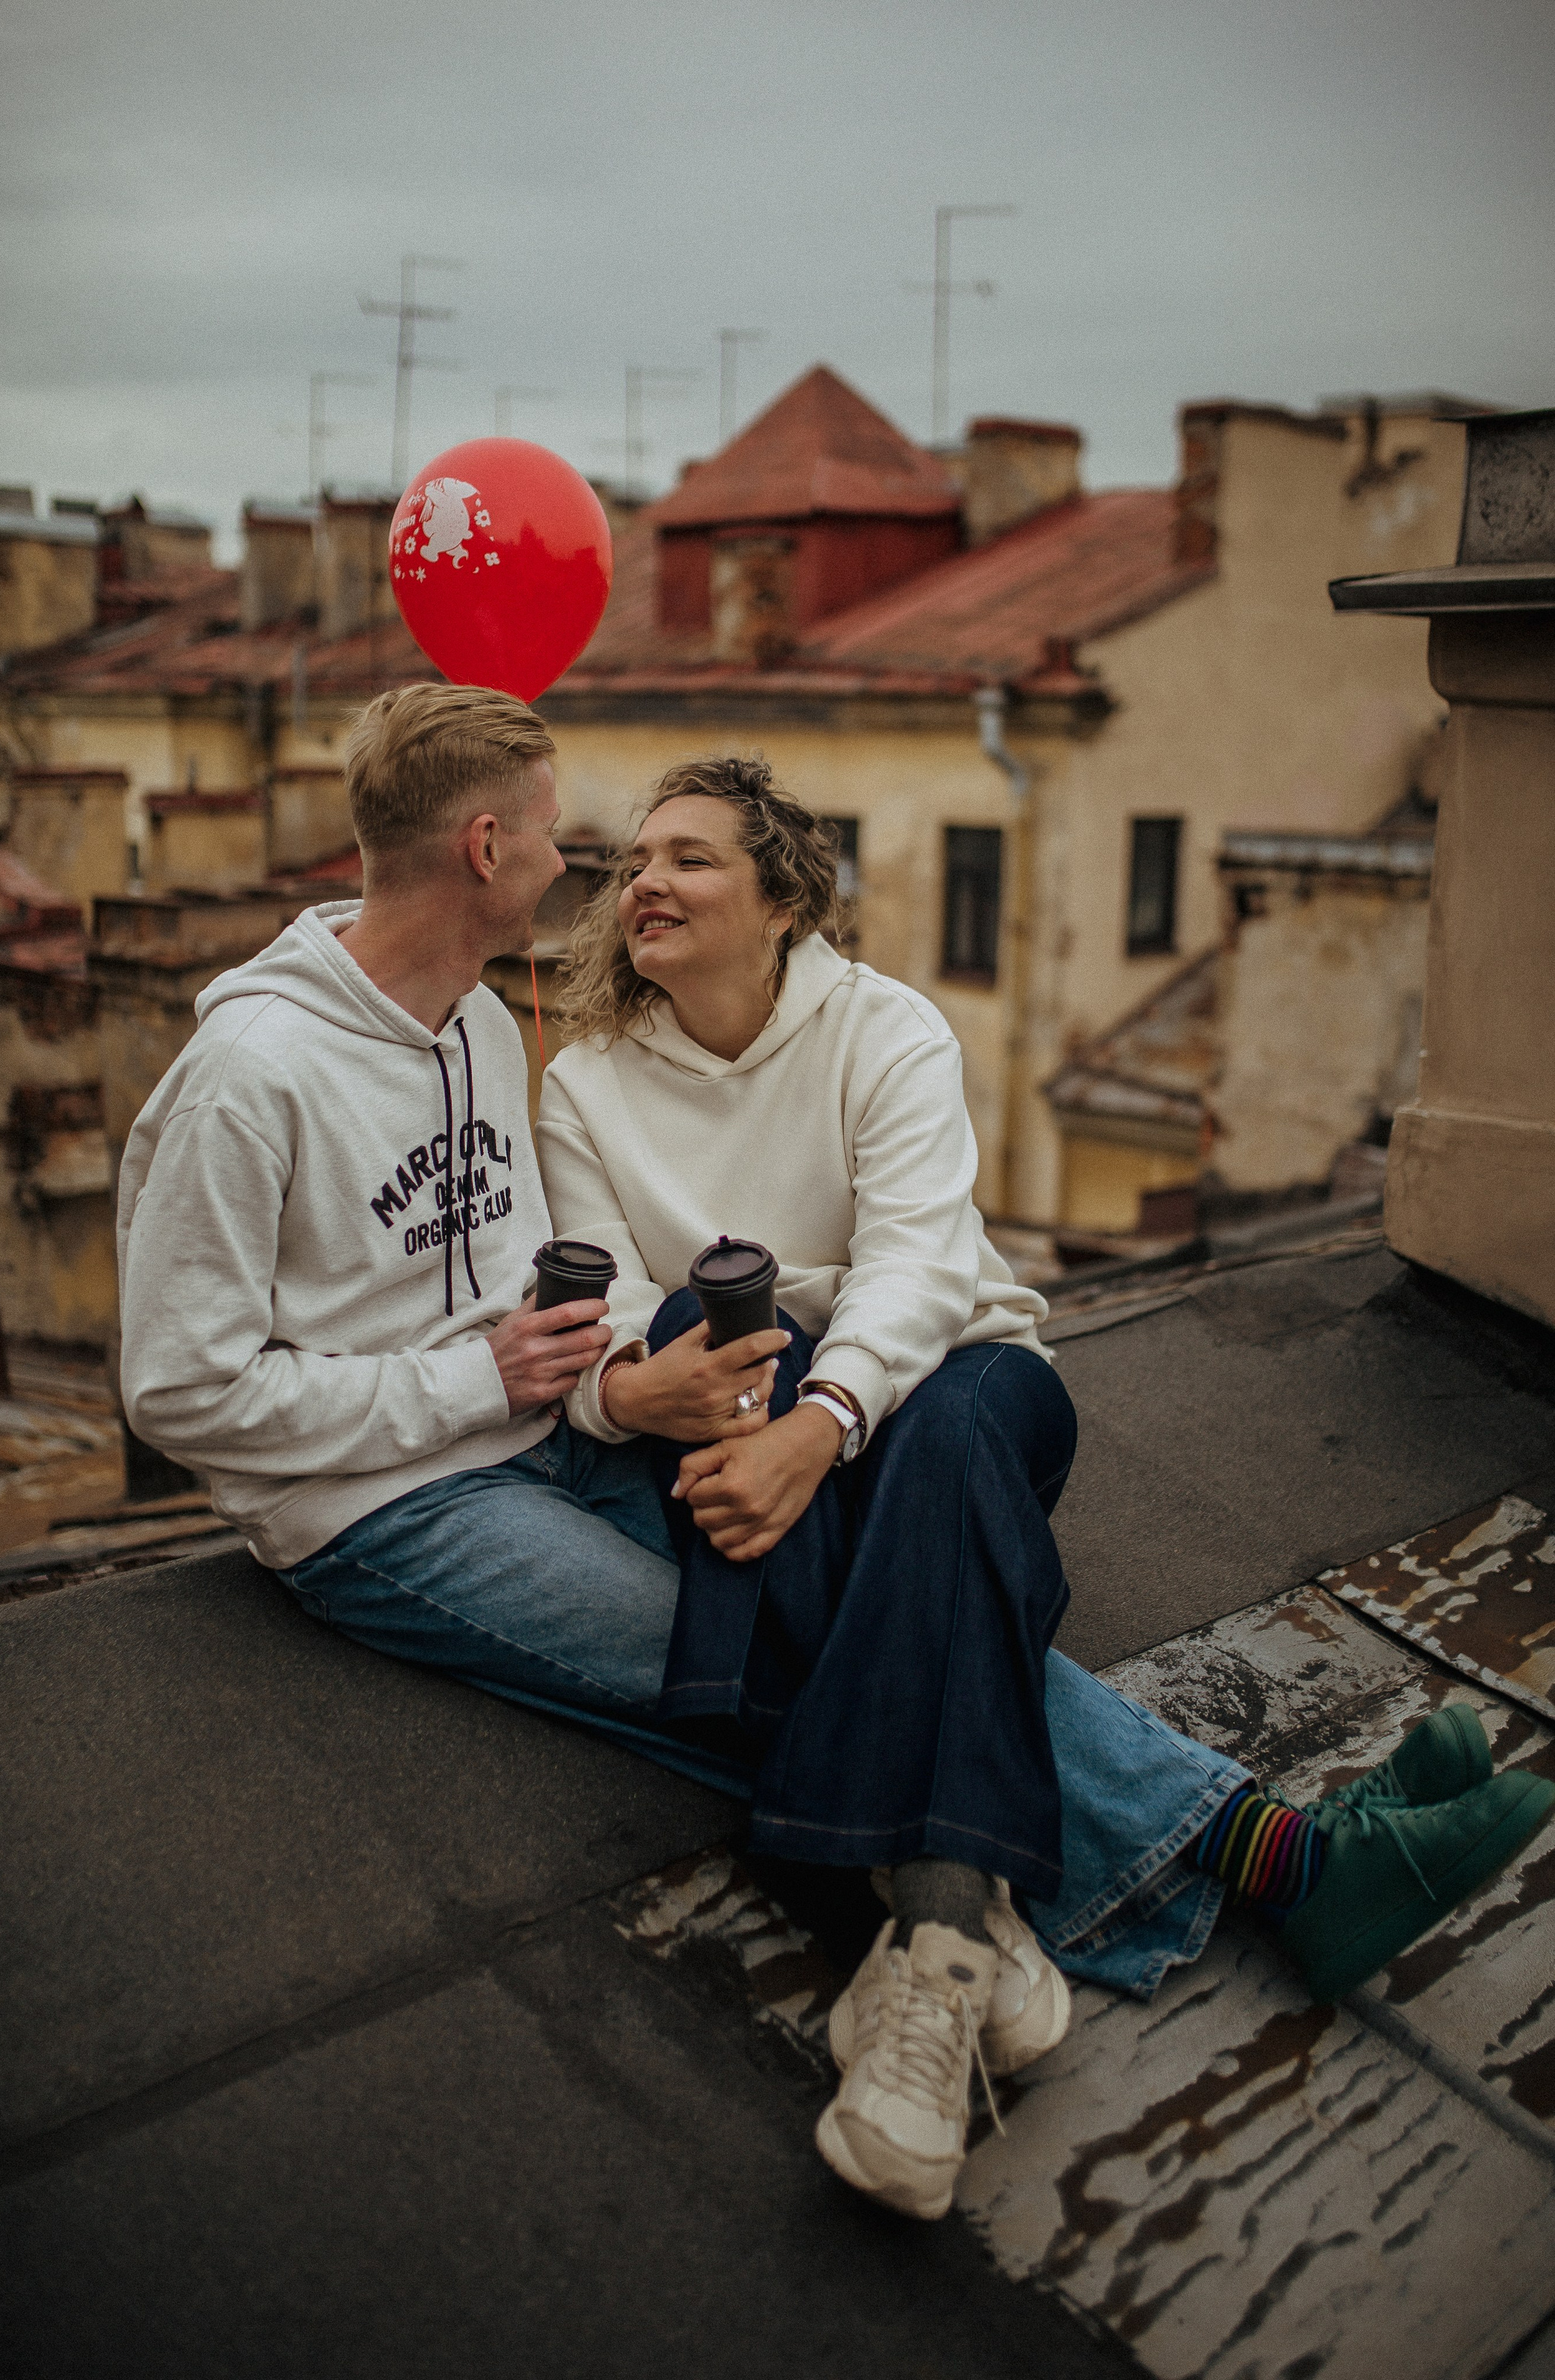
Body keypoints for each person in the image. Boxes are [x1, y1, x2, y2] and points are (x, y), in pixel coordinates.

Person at [115, 690, 1548, 2226]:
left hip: (573, 1431)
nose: (583, 863)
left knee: (836, 1593)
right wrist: (480, 1384)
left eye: (665, 850)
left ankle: (1038, 1915)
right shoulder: (254, 1073)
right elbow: (178, 1391)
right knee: (749, 1650)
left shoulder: (476, 1026)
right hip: (384, 1505)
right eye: (557, 831)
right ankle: (1224, 1868)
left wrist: (603, 1399)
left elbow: (582, 1306)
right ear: (486, 842)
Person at [534, 753, 1554, 2219]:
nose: (645, 881)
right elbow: (617, 1313)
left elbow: (918, 1259)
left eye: (690, 857)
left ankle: (936, 1928)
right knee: (750, 1380)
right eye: (637, 859)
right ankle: (977, 1932)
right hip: (742, 1415)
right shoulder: (584, 1083)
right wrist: (675, 1378)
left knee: (937, 1441)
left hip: (952, 1383)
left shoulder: (884, 1029)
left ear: (783, 898)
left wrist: (820, 1411)